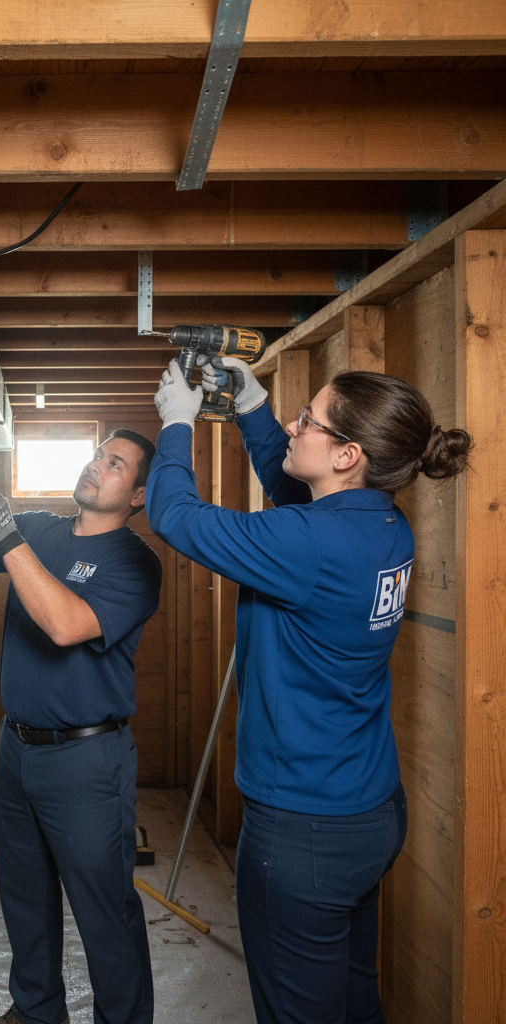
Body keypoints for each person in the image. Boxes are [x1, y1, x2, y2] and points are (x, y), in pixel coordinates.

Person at [145, 355, 473, 1024]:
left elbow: (175, 516)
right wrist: (253, 409)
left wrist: (177, 424)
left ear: (348, 455)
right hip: (368, 811)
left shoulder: (311, 544)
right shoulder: (382, 526)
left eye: (308, 420)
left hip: (303, 833)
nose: (295, 427)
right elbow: (296, 495)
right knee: (354, 1001)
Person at [0, 415, 163, 1024]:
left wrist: (8, 535)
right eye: (98, 454)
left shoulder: (135, 563)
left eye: (115, 463)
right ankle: (36, 1011)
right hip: (17, 748)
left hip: (86, 760)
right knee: (24, 893)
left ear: (138, 495)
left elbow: (65, 626)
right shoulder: (40, 530)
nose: (96, 465)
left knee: (104, 909)